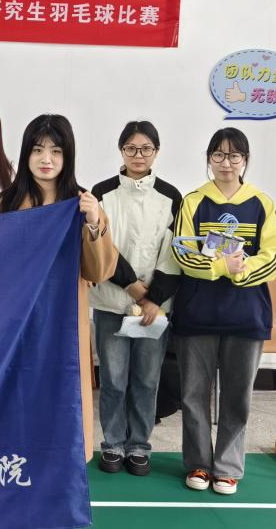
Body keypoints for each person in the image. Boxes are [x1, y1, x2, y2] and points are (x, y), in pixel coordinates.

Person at [0, 114, 117, 464]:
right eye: (38, 149)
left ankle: (62, 466)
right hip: (16, 322)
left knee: (63, 392)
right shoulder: (5, 204)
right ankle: (14, 463)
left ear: (67, 156)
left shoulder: (82, 204)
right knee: (17, 392)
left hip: (64, 322)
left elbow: (99, 270)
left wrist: (93, 224)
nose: (46, 159)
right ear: (25, 154)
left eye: (56, 151)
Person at [171, 127, 276, 495]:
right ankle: (199, 464)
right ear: (209, 159)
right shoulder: (193, 201)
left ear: (245, 161)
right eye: (218, 155)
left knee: (237, 397)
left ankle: (228, 467)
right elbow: (182, 253)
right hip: (197, 314)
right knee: (193, 395)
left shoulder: (261, 203)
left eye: (234, 156)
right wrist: (222, 266)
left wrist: (242, 270)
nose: (226, 163)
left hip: (246, 316)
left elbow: (274, 255)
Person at [89, 121, 182, 477]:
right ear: (121, 151)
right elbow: (101, 246)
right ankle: (113, 444)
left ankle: (139, 446)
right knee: (113, 379)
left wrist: (153, 297)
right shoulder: (102, 193)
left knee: (146, 379)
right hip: (111, 301)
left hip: (154, 309)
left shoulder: (171, 196)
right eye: (131, 148)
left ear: (156, 152)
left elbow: (174, 251)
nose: (138, 155)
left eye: (145, 149)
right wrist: (131, 286)